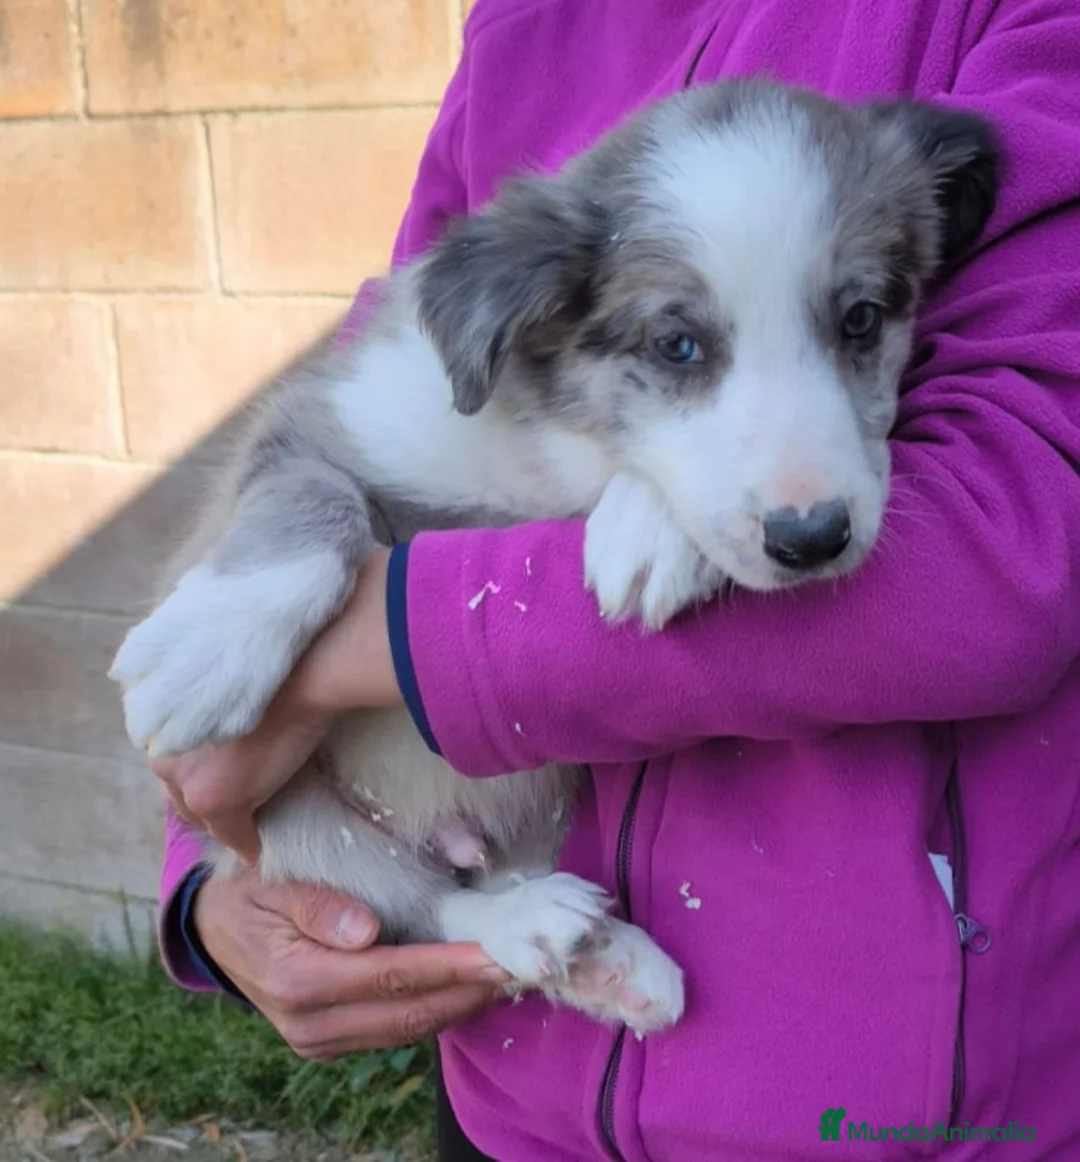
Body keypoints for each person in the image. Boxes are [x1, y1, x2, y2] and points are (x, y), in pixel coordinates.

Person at [153, 0, 1080, 1157]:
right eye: (679, 348)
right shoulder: (524, 25)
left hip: (898, 1113)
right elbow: (388, 391)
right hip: (508, 1085)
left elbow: (1009, 546)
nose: (808, 483)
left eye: (855, 323)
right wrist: (216, 858)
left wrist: (378, 637)